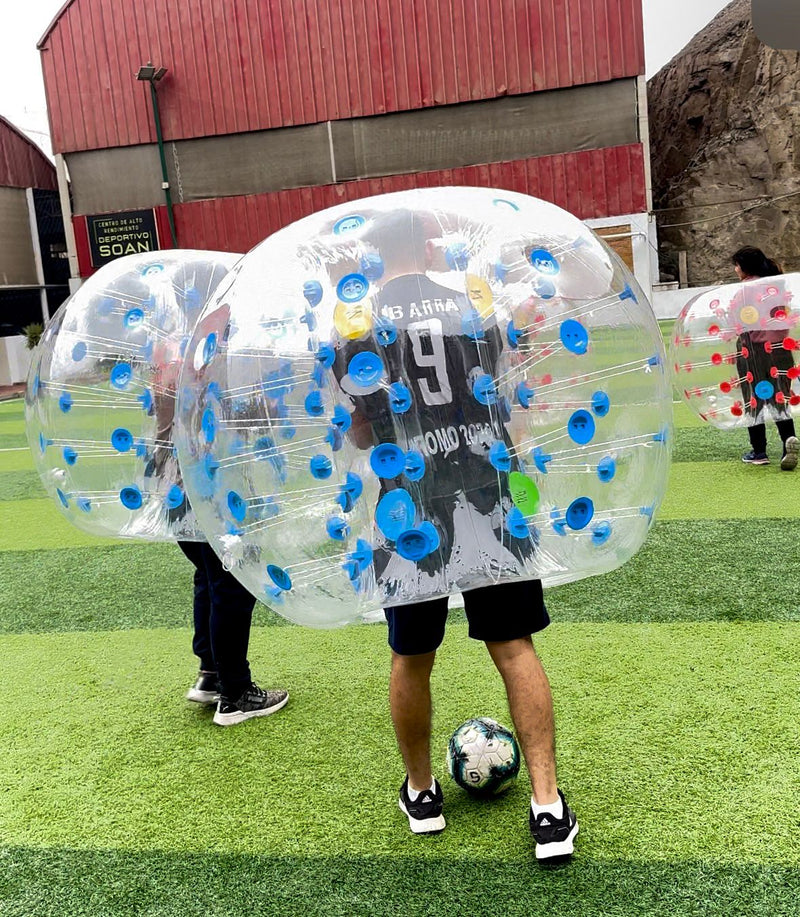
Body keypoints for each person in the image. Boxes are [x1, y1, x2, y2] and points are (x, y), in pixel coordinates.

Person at [331, 209, 578, 862]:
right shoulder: (474, 303)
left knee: (412, 654)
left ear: (379, 255)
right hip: (489, 489)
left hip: (407, 508)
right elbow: (506, 395)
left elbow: (358, 433)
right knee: (514, 645)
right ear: (425, 242)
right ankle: (549, 809)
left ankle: (422, 796)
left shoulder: (357, 325)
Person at [181, 540, 289, 726]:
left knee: (209, 572)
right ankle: (237, 694)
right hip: (219, 514)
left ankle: (211, 675)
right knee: (233, 581)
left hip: (186, 512)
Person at [731, 246, 799, 470]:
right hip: (781, 350)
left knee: (754, 400)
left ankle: (759, 451)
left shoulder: (745, 289)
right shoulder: (777, 286)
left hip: (754, 350)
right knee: (779, 398)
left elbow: (734, 318)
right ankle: (787, 441)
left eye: (737, 265)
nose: (735, 269)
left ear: (745, 267)